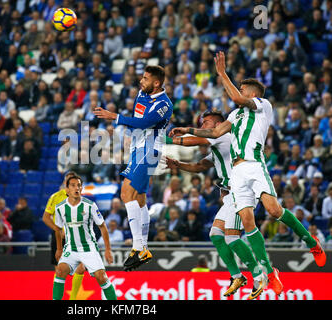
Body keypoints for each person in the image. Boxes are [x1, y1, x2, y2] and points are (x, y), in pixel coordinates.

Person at [172, 51, 327, 296]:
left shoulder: (263, 106)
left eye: (243, 90)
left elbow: (235, 96)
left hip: (255, 163)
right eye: (240, 89)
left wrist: (222, 74)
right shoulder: (234, 115)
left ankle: (311, 242)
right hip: (237, 172)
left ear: (252, 94)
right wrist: (186, 129)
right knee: (246, 222)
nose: (239, 93)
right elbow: (213, 134)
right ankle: (267, 271)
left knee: (275, 211)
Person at [166, 109, 266, 298]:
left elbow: (197, 140)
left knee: (232, 238)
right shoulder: (218, 146)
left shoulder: (225, 136)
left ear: (218, 125)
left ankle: (259, 275)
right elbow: (200, 166)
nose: (202, 126)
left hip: (241, 191)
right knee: (216, 235)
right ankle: (237, 276)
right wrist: (178, 165)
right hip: (230, 195)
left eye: (206, 123)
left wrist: (167, 140)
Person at [94, 65, 173, 271]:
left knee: (126, 193)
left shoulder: (165, 104)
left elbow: (144, 122)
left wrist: (115, 117)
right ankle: (143, 247)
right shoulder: (142, 93)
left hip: (149, 150)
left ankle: (138, 246)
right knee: (139, 198)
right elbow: (137, 120)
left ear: (157, 83)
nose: (141, 81)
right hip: (138, 149)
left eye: (146, 79)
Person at [52, 175, 117, 300]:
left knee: (101, 276)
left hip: (89, 248)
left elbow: (102, 227)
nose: (77, 188)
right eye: (73, 185)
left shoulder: (90, 205)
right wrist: (59, 249)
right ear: (67, 189)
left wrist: (108, 250)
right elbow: (58, 229)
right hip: (71, 248)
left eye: (79, 185)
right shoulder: (60, 208)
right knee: (60, 271)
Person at [42, 171, 86, 300]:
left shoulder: (82, 199)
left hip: (76, 237)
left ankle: (73, 299)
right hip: (59, 237)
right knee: (60, 271)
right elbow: (46, 217)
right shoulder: (55, 197)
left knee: (81, 268)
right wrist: (58, 229)